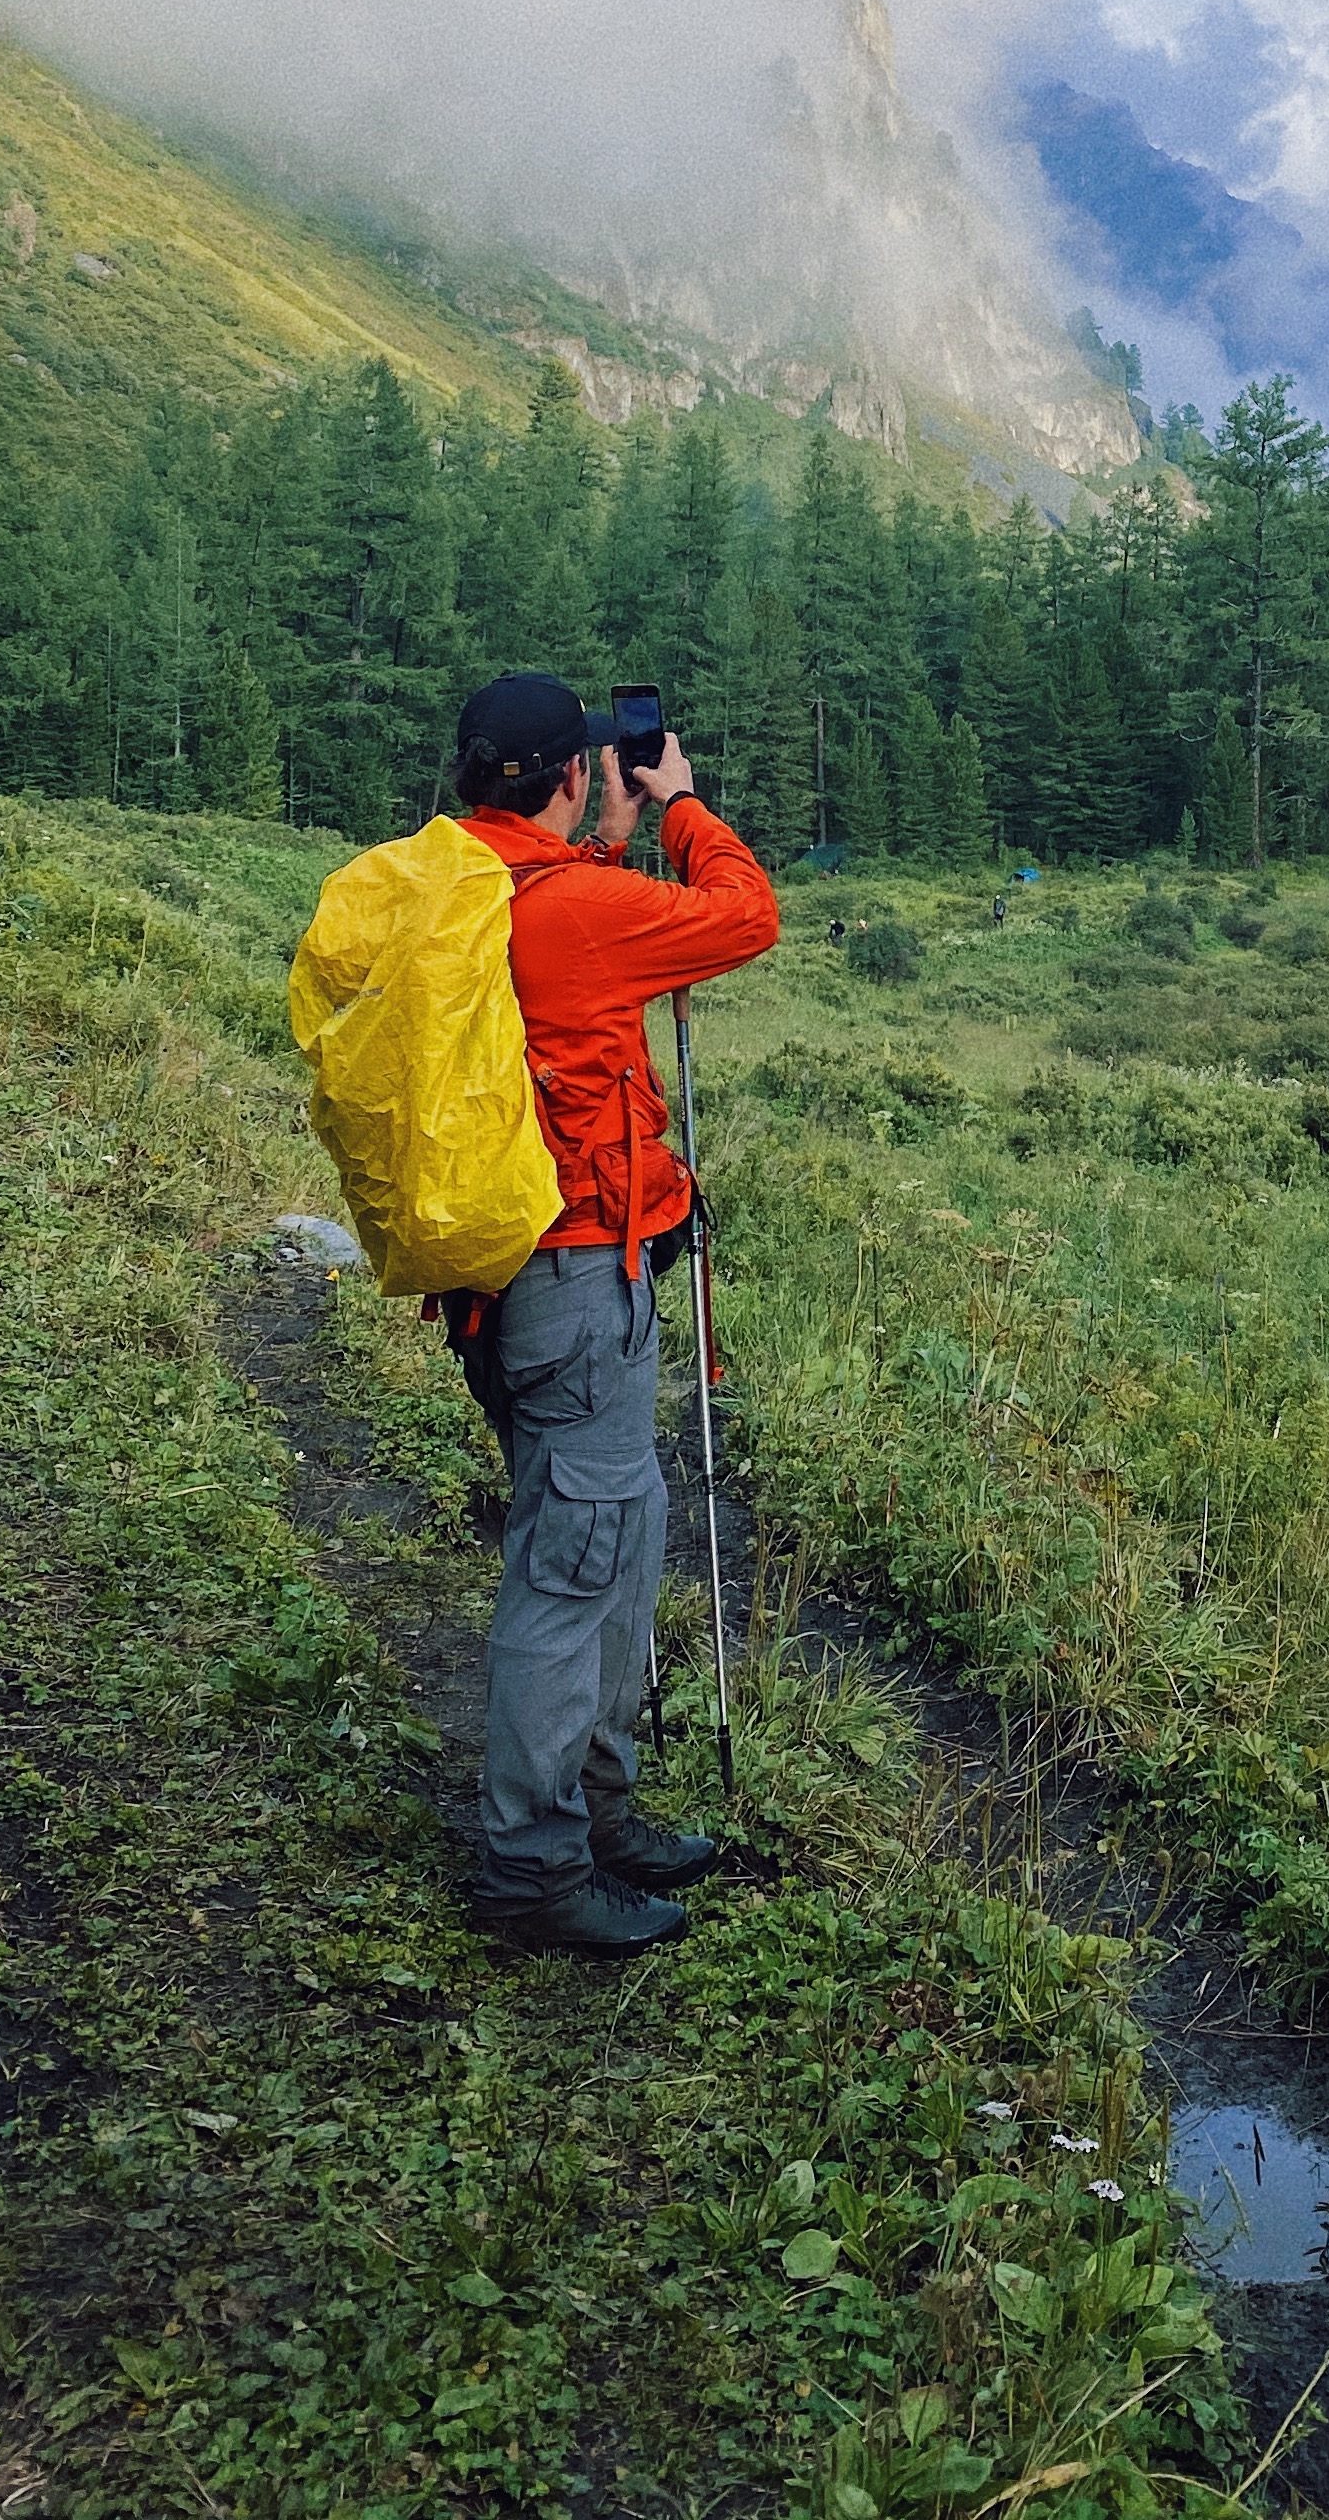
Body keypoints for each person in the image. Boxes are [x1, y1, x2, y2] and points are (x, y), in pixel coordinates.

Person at [444, 673, 780, 1955]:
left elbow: (566, 936)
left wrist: (606, 844)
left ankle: (595, 1808)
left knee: (609, 1534)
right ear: (568, 778)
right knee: (571, 1565)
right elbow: (745, 917)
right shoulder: (581, 906)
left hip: (507, 1277)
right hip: (582, 1278)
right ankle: (533, 1867)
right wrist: (684, 805)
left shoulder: (476, 879)